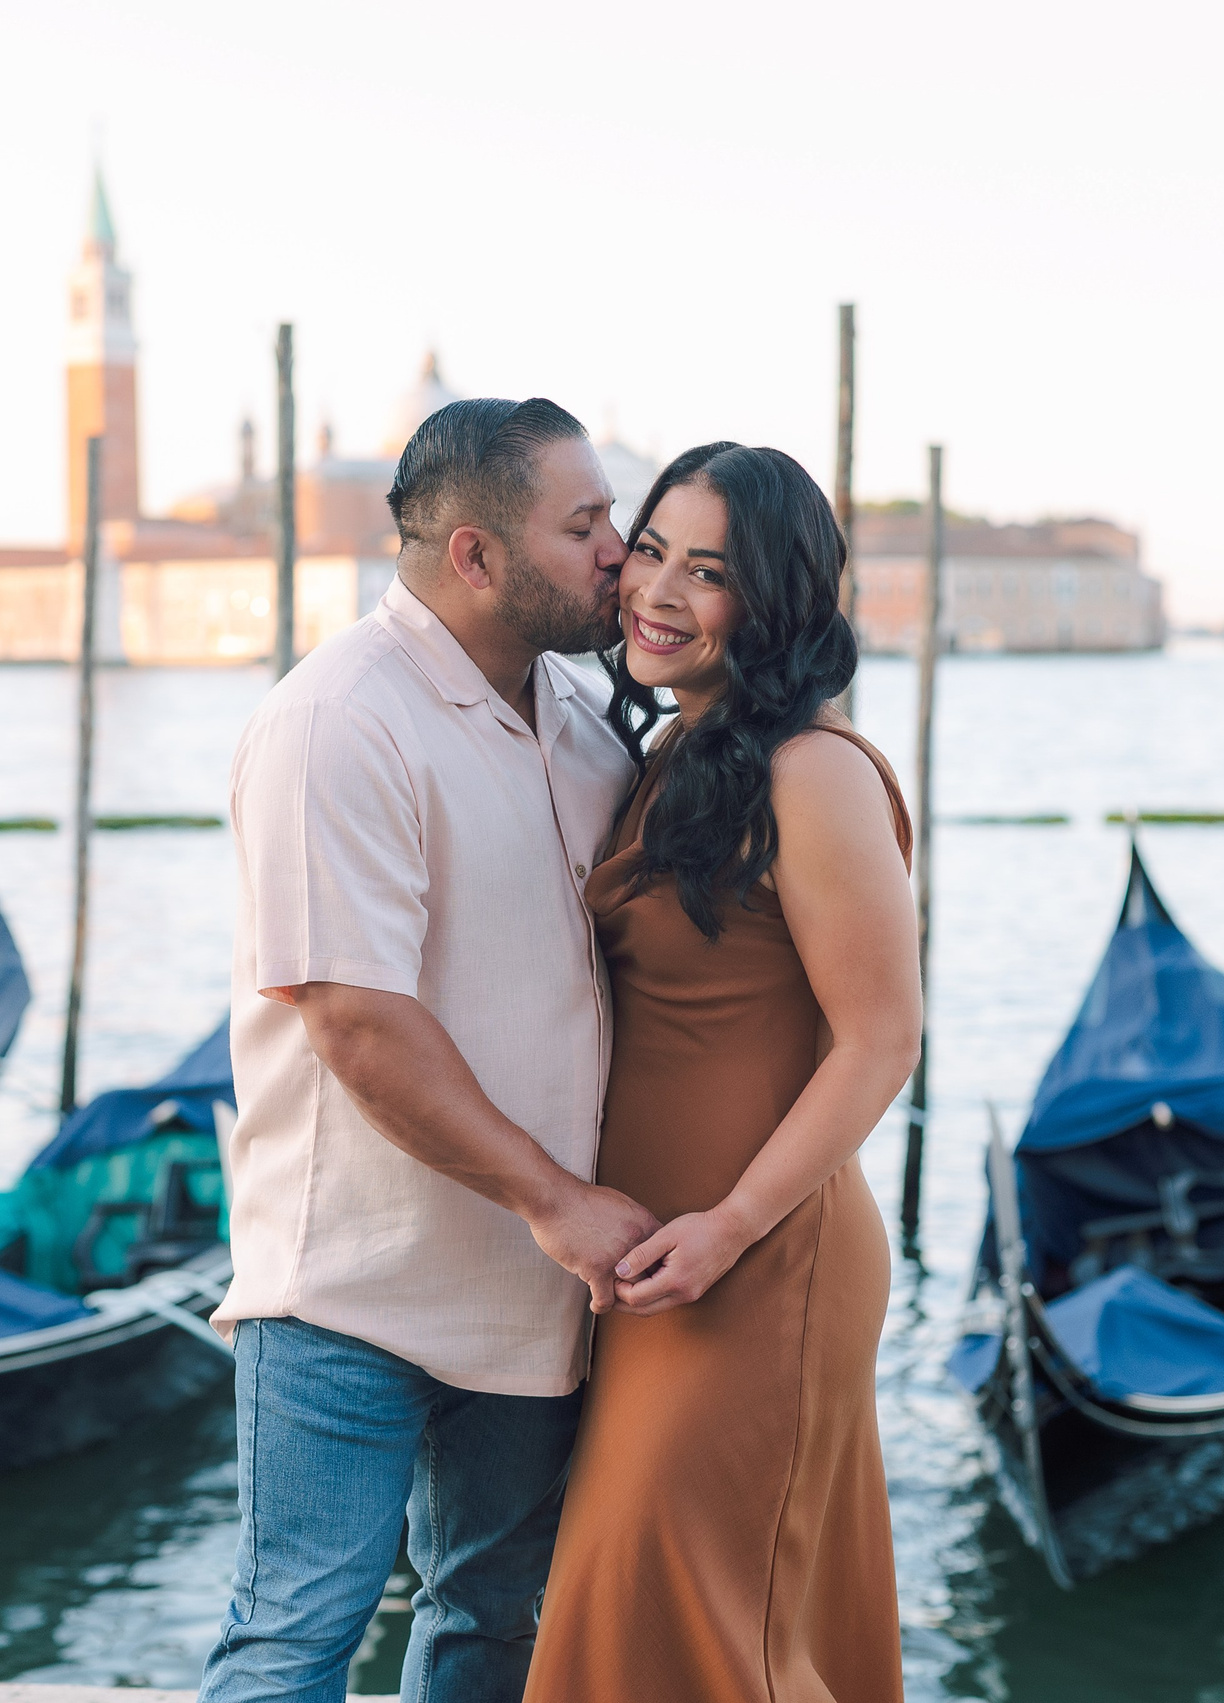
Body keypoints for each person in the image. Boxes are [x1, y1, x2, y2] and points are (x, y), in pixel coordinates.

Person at [198, 396, 652, 1703]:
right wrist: (562, 1199)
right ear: (475, 554)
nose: (618, 550)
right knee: (298, 1630)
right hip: (350, 1282)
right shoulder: (338, 719)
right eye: (585, 525)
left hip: (532, 1285)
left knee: (489, 1616)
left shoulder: (579, 721)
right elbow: (357, 1020)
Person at [523, 443, 919, 1703]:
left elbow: (881, 1038)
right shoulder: (679, 761)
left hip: (756, 1259)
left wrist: (732, 1228)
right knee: (670, 1623)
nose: (660, 591)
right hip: (660, 1262)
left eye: (711, 571)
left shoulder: (814, 771)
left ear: (780, 602)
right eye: (650, 551)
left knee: (685, 1626)